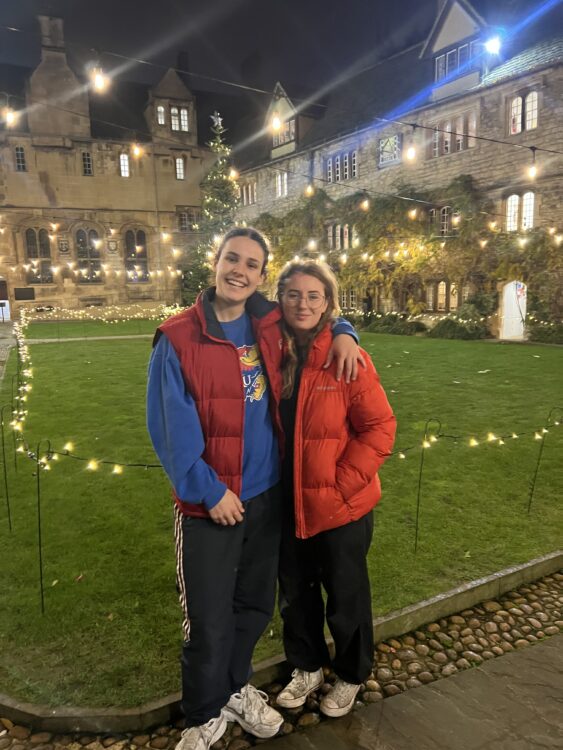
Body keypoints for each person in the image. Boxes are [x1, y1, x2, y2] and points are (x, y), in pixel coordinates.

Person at [146, 227, 361, 750]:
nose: (239, 271)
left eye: (251, 264)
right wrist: (207, 490)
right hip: (210, 503)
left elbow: (319, 313)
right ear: (215, 262)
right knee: (207, 613)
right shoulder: (177, 337)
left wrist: (348, 331)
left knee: (253, 606)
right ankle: (203, 714)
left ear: (261, 275)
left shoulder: (267, 321)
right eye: (231, 259)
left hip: (266, 496)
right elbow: (167, 429)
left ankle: (235, 687)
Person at [274, 260, 396, 719]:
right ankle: (306, 666)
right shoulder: (270, 351)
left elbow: (380, 428)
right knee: (295, 594)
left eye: (313, 295)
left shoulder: (347, 356)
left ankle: (350, 674)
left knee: (347, 596)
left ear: (328, 303)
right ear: (280, 299)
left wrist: (341, 487)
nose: (302, 303)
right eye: (293, 294)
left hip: (341, 507)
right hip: (286, 502)